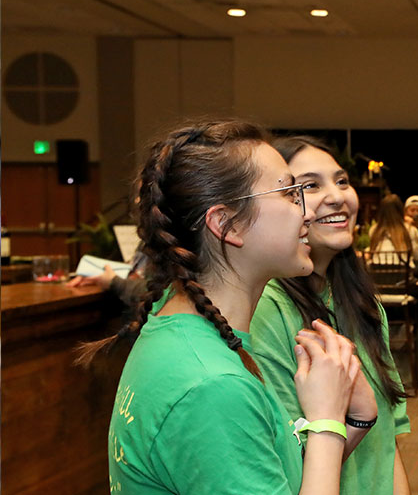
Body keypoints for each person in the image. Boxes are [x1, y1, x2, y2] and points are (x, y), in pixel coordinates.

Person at [74, 119, 366, 494]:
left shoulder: (179, 321)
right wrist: (327, 420)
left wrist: (353, 420)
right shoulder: (213, 386)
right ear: (227, 225)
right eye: (290, 194)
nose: (308, 212)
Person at [250, 136, 412, 495]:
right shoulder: (266, 313)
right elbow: (290, 466)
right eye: (310, 185)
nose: (338, 196)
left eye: (341, 181)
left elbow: (389, 443)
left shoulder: (363, 303)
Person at [370, 193, 418, 263]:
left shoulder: (374, 230)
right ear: (401, 211)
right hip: (402, 272)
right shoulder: (410, 230)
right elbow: (417, 255)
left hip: (376, 271)